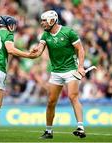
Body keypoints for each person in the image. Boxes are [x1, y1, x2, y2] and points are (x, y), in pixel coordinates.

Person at [30, 10, 86, 139]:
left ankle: (80, 128)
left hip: (71, 70)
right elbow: (38, 52)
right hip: (56, 72)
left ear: (52, 20)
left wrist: (80, 66)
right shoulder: (45, 35)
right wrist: (34, 51)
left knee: (73, 97)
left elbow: (80, 49)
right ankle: (49, 131)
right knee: (51, 102)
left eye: (44, 20)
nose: (42, 23)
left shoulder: (68, 32)